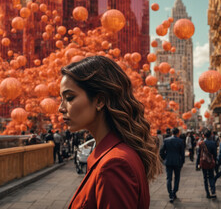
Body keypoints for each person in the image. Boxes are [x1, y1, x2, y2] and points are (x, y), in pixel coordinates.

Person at [59, 56, 159, 208]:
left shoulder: (114, 164)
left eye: (69, 97)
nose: (61, 107)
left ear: (100, 101)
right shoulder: (115, 154)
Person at [160, 127, 185, 203]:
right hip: (177, 162)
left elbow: (161, 152)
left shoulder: (166, 140)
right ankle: (174, 192)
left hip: (168, 162)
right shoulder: (180, 141)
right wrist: (182, 162)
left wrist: (165, 158)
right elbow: (182, 154)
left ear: (171, 132)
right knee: (177, 178)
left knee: (169, 178)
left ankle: (170, 195)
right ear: (178, 133)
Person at [196, 129, 217, 198]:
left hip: (203, 162)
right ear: (210, 135)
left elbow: (199, 154)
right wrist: (216, 161)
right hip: (210, 162)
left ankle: (207, 193)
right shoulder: (213, 143)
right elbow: (215, 154)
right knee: (211, 176)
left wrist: (197, 164)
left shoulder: (201, 143)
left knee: (205, 178)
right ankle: (213, 192)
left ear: (203, 135)